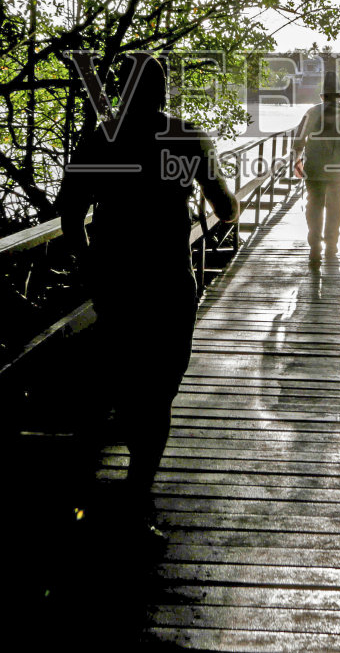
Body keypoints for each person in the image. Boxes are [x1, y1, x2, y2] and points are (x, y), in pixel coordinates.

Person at [56, 53, 239, 523]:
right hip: (168, 277)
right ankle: (139, 482)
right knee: (160, 382)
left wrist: (86, 262)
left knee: (118, 370)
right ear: (164, 91)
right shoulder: (188, 137)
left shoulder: (101, 139)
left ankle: (91, 474)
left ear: (122, 90)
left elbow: (71, 214)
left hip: (114, 278)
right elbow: (227, 207)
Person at [290, 70, 340, 265]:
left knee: (314, 208)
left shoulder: (312, 112)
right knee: (335, 209)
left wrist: (297, 162)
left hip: (313, 170)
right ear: (339, 96)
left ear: (322, 95)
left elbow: (298, 141)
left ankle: (315, 247)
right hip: (337, 171)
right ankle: (331, 246)